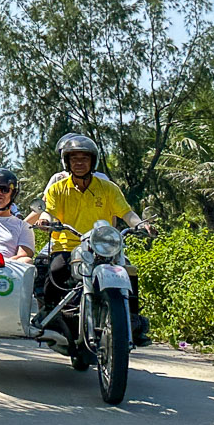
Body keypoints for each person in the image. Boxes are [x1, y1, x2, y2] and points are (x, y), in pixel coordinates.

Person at [39, 135, 155, 343]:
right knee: (56, 269)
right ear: (67, 162)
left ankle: (133, 320)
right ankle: (50, 314)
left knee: (129, 271)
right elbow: (49, 211)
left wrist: (139, 224)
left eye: (84, 158)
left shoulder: (108, 188)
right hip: (68, 245)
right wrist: (45, 220)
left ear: (93, 161)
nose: (79, 163)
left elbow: (126, 213)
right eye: (74, 159)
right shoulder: (57, 189)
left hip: (102, 246)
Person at [25, 133, 110, 225]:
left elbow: (111, 210)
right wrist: (22, 225)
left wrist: (111, 230)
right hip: (65, 230)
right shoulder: (58, 178)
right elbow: (45, 207)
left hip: (97, 230)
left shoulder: (102, 179)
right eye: (73, 156)